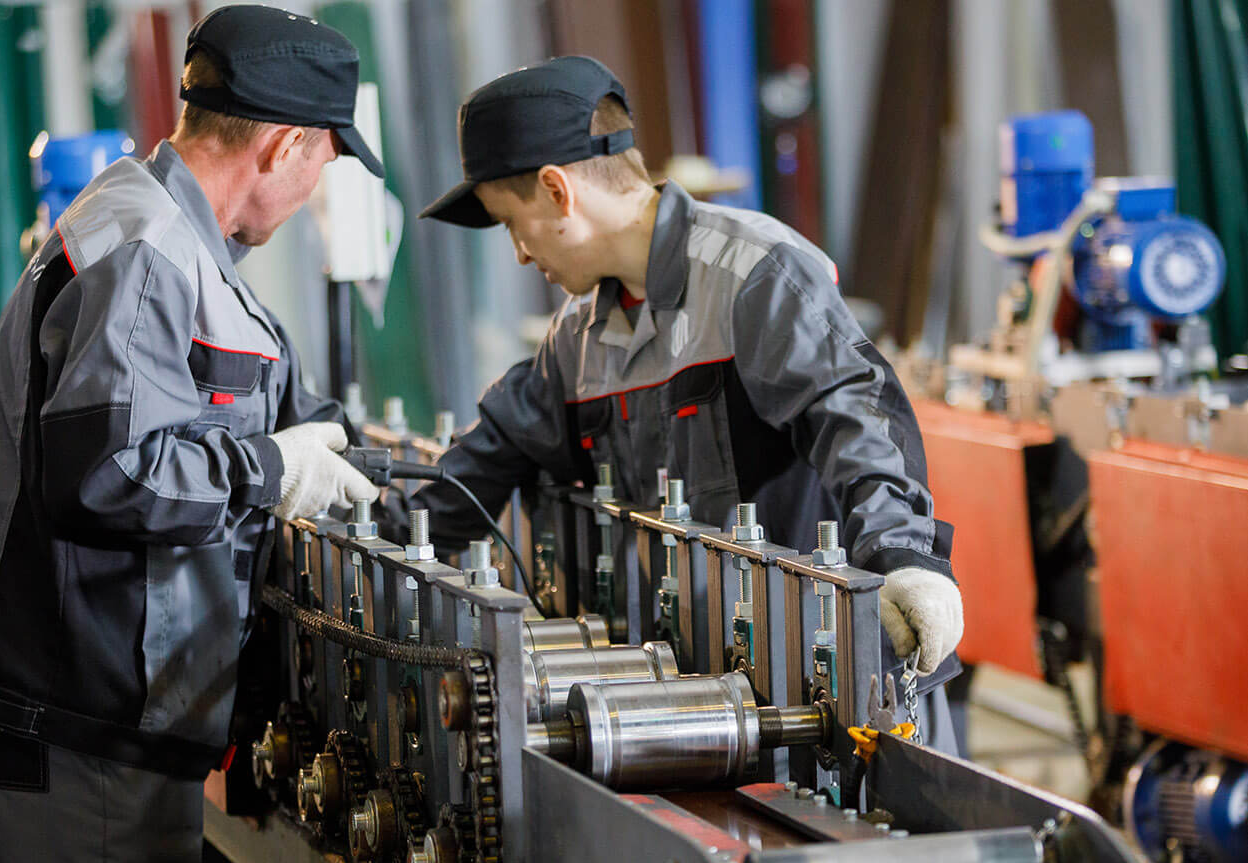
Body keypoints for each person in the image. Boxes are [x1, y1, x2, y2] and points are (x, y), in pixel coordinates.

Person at [0, 7, 379, 863]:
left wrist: (329, 443)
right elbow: (105, 475)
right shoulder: (148, 250)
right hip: (60, 718)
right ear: (285, 143)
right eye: (327, 159)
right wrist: (271, 467)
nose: (320, 185)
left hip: (102, 711)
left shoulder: (189, 244)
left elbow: (246, 400)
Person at [412, 56, 965, 749]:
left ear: (558, 191)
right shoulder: (577, 338)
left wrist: (902, 557)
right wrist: (383, 531)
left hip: (848, 700)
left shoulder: (752, 276)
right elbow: (484, 460)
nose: (521, 255)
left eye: (510, 223)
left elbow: (855, 416)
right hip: (710, 708)